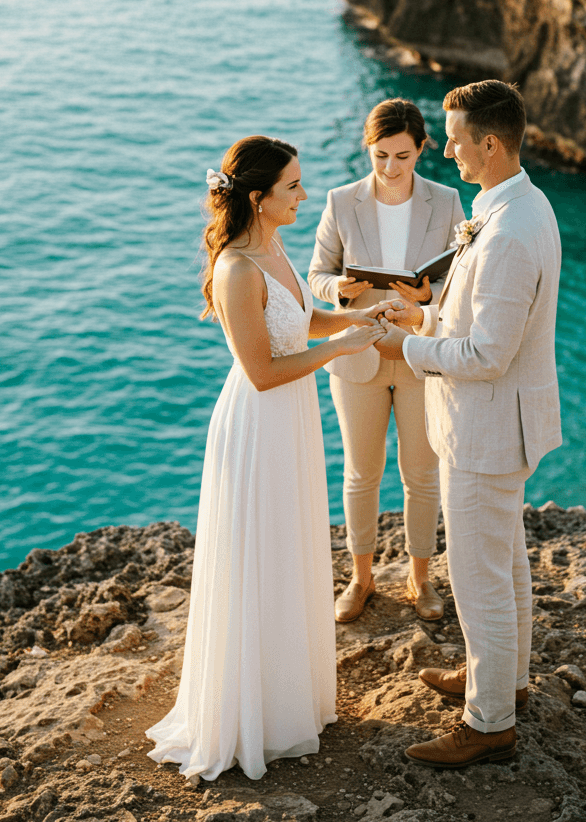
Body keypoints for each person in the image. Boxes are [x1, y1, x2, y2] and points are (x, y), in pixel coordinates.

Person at [146, 136, 387, 782]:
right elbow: (260, 371)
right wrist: (344, 350)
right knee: (260, 554)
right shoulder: (236, 269)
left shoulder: (274, 248)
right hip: (259, 423)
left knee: (290, 550)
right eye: (293, 188)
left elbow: (300, 323)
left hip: (294, 420)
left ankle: (289, 703)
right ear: (259, 199)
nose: (304, 196)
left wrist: (362, 315)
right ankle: (248, 715)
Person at [374, 80, 562, 769]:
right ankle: (503, 681)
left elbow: (487, 355)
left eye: (454, 138)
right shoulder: (518, 204)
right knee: (503, 564)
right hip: (496, 424)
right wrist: (423, 317)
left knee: (479, 576)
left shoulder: (509, 231)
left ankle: (489, 725)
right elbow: (477, 323)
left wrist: (408, 349)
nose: (444, 149)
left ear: (490, 142)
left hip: (487, 428)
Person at [308, 99, 465, 624]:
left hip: (421, 352)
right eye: (380, 156)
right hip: (358, 355)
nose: (391, 167)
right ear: (367, 150)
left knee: (422, 474)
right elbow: (316, 274)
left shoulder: (447, 202)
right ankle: (361, 577)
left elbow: (461, 280)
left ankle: (420, 580)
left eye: (402, 155)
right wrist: (340, 286)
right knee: (361, 474)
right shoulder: (341, 200)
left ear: (423, 147)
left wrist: (426, 296)